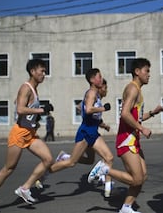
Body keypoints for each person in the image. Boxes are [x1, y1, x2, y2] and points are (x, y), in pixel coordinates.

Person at [88, 58, 163, 213]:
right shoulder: (133, 88)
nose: (149, 74)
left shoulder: (137, 89)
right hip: (126, 140)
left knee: (142, 176)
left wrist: (153, 113)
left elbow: (135, 117)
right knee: (137, 178)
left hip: (133, 139)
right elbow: (124, 114)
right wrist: (142, 128)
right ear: (137, 72)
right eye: (146, 71)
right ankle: (104, 170)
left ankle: (126, 207)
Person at [0, 59, 54, 213]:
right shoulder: (25, 88)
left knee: (48, 159)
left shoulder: (33, 89)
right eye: (42, 71)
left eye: (45, 71)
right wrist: (40, 110)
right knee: (9, 168)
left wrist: (36, 119)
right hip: (19, 133)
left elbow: (22, 107)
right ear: (33, 71)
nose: (44, 74)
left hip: (30, 133)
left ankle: (25, 188)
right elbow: (20, 109)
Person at [46, 69, 114, 197]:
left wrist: (102, 124)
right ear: (92, 80)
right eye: (99, 77)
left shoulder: (95, 95)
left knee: (104, 158)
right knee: (72, 162)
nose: (101, 79)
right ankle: (45, 172)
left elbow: (82, 108)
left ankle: (108, 188)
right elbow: (88, 110)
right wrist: (103, 108)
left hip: (93, 132)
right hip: (86, 132)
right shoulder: (92, 93)